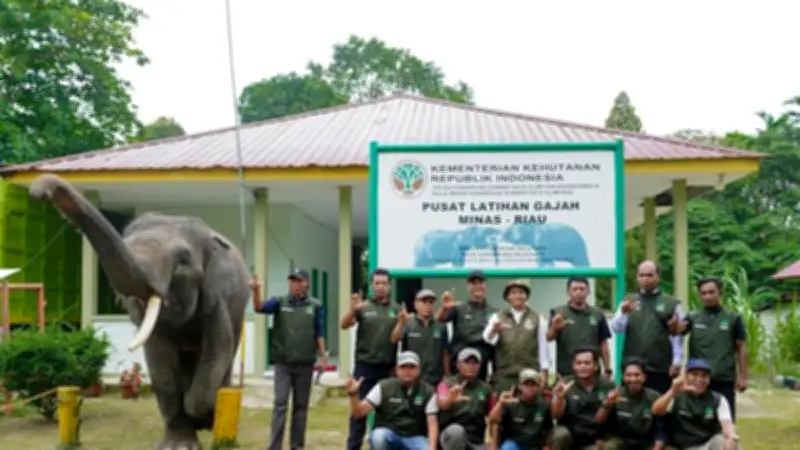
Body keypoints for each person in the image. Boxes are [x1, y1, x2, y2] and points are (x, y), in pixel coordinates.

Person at [250, 268, 326, 450]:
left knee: (301, 407)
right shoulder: (279, 302)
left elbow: (319, 332)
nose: (295, 284)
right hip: (283, 363)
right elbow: (259, 307)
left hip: (305, 363)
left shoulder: (315, 306)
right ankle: (275, 446)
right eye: (292, 281)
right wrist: (255, 291)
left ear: (306, 283)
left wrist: (323, 357)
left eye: (299, 281)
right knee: (280, 404)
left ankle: (296, 445)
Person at [341, 268, 400, 450]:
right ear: (372, 285)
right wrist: (353, 311)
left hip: (387, 368)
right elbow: (344, 325)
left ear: (389, 285)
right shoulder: (363, 307)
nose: (381, 287)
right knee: (358, 413)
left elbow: (398, 337)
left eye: (384, 283)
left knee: (386, 412)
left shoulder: (396, 309)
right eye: (377, 283)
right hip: (364, 368)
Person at [610, 260, 686, 393]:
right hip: (632, 368)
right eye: (642, 275)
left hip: (660, 367)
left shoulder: (671, 303)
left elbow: (678, 336)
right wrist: (623, 313)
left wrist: (677, 362)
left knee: (659, 401)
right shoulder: (628, 301)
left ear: (658, 277)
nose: (645, 279)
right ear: (637, 277)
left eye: (650, 275)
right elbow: (617, 328)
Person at [682, 277, 748, 421]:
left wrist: (743, 376)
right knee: (698, 419)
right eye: (704, 293)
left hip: (723, 377)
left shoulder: (733, 318)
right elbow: (677, 332)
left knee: (725, 418)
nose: (708, 296)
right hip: (698, 379)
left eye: (711, 292)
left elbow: (741, 346)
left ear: (720, 293)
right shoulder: (693, 317)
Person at [345, 351, 439, 450]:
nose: (407, 371)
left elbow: (432, 423)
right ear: (396, 370)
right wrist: (353, 395)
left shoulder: (429, 391)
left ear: (419, 370)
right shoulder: (383, 387)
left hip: (414, 437)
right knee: (378, 437)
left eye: (412, 367)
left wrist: (432, 447)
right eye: (403, 367)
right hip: (389, 434)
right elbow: (359, 413)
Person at [652, 359, 741, 450]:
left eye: (704, 376)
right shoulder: (676, 396)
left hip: (709, 444)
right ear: (686, 376)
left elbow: (727, 427)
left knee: (728, 442)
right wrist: (673, 391)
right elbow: (656, 411)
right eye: (694, 375)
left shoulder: (717, 399)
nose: (699, 379)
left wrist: (730, 438)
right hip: (685, 446)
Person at [482, 279, 550, 393]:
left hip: (530, 374)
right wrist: (494, 330)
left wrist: (544, 371)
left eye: (521, 292)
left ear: (526, 296)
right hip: (504, 375)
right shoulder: (498, 317)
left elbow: (543, 347)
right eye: (513, 293)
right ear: (508, 297)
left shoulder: (538, 318)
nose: (517, 295)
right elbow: (487, 338)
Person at [547, 276, 613, 378]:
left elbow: (604, 344)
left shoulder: (598, 314)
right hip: (566, 371)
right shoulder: (558, 313)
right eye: (575, 289)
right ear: (568, 292)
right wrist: (554, 328)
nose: (578, 292)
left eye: (582, 289)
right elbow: (549, 338)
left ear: (588, 291)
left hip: (592, 372)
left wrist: (607, 369)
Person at [595, 358, 669, 450]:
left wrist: (657, 448)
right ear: (623, 377)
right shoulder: (615, 394)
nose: (633, 379)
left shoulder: (655, 397)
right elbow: (599, 421)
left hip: (647, 441)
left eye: (636, 375)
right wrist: (607, 404)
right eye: (629, 375)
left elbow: (661, 430)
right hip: (621, 440)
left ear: (644, 377)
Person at [551, 348, 616, 450]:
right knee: (559, 434)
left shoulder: (608, 386)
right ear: (573, 366)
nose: (582, 366)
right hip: (571, 434)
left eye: (587, 363)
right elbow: (556, 415)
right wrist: (559, 397)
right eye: (578, 363)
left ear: (596, 366)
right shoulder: (565, 384)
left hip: (597, 436)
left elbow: (612, 419)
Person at [438, 270, 496, 381]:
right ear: (468, 286)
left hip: (481, 366)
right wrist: (444, 308)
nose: (477, 286)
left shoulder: (494, 312)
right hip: (459, 364)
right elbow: (440, 321)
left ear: (485, 285)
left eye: (480, 283)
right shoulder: (459, 308)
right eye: (474, 283)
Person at [437, 348, 494, 450]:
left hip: (476, 438)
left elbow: (493, 417)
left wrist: (501, 404)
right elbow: (441, 403)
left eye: (475, 363)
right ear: (458, 365)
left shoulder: (486, 388)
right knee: (456, 432)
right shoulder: (446, 384)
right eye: (467, 362)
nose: (471, 366)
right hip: (451, 436)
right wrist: (450, 399)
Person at [392, 289, 450, 386]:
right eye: (424, 302)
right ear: (416, 304)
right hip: (411, 377)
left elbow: (445, 353)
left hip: (435, 378)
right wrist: (400, 323)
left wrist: (447, 375)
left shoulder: (441, 327)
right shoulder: (407, 323)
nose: (428, 305)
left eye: (431, 302)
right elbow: (394, 339)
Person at [488, 368, 553, 450]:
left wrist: (547, 446)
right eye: (526, 385)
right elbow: (492, 420)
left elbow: (548, 430)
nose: (529, 388)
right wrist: (501, 403)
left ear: (538, 386)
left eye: (533, 384)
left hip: (535, 445)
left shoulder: (544, 405)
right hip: (514, 444)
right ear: (519, 386)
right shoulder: (511, 403)